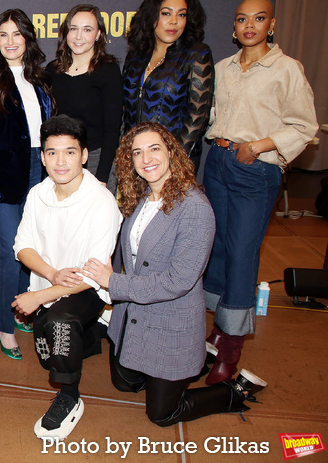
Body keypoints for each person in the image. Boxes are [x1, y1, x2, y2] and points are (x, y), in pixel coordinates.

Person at [85, 122, 268, 427]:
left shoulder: (195, 208)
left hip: (170, 317)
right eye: (137, 153)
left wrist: (112, 281)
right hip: (134, 315)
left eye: (154, 149)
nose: (146, 159)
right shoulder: (141, 197)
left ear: (171, 152)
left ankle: (234, 391)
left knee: (162, 413)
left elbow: (178, 282)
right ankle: (200, 357)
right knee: (124, 383)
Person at [203, 0, 318, 384]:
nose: (249, 25)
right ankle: (217, 330)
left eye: (258, 18)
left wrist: (257, 146)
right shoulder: (222, 68)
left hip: (256, 168)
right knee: (216, 246)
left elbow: (304, 126)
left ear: (271, 24)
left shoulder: (286, 69)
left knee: (241, 251)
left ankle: (231, 345)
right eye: (241, 19)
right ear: (233, 28)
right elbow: (214, 116)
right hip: (218, 162)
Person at [12, 115, 122, 439]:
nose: (61, 161)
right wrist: (50, 274)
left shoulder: (101, 202)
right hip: (50, 282)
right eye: (52, 152)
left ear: (84, 155)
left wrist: (39, 297)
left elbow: (94, 273)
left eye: (70, 152)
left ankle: (70, 397)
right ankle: (89, 335)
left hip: (88, 289)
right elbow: (23, 246)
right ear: (43, 156)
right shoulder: (38, 194)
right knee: (48, 355)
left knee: (59, 325)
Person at [0, 8, 54, 359]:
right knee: (8, 252)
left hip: (43, 171)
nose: (10, 42)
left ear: (27, 38)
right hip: (5, 178)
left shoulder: (41, 77)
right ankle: (6, 324)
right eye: (3, 35)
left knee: (31, 247)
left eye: (16, 34)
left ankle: (24, 309)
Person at [121, 0, 214, 169]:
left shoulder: (196, 54)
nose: (174, 22)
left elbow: (197, 116)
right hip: (136, 158)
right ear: (152, 16)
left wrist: (173, 161)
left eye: (181, 15)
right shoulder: (136, 56)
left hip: (173, 163)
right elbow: (125, 111)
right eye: (166, 13)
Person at [47, 4, 123, 193]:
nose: (79, 36)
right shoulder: (52, 71)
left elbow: (113, 130)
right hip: (59, 161)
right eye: (73, 29)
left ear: (98, 35)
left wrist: (103, 177)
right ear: (66, 32)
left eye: (87, 29)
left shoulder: (108, 71)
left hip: (95, 161)